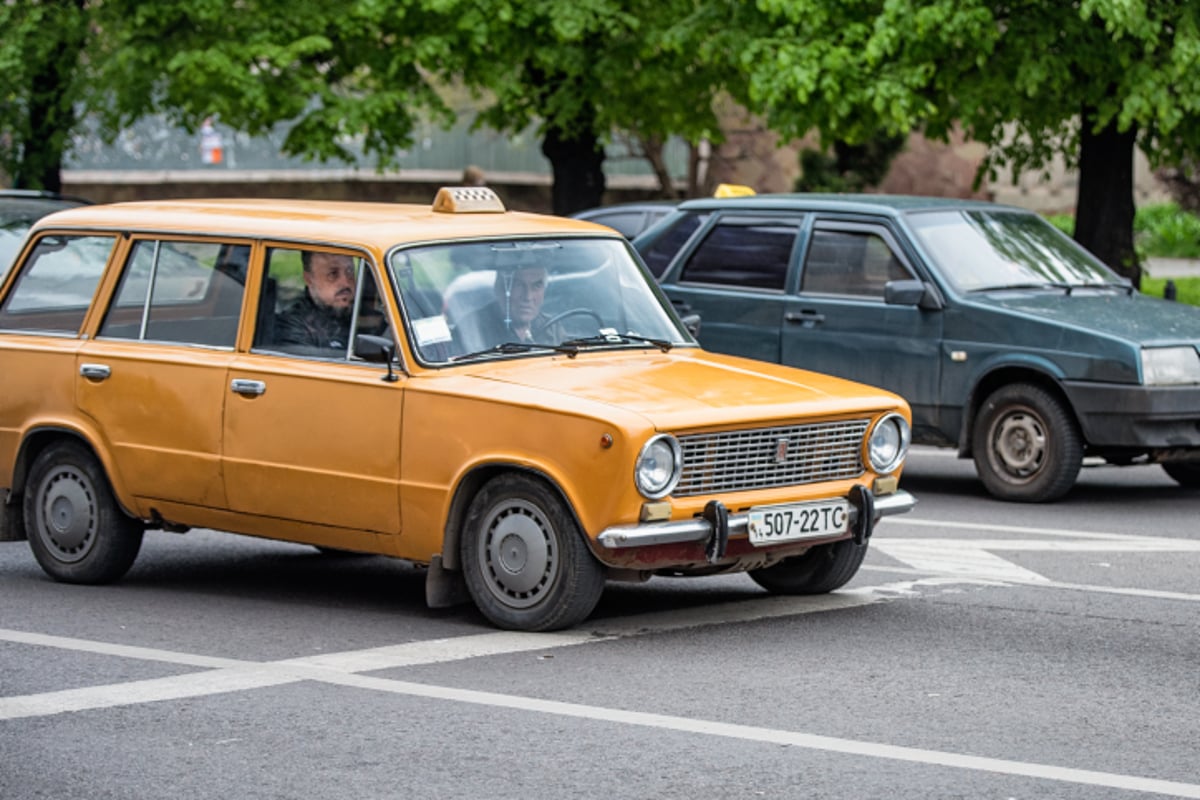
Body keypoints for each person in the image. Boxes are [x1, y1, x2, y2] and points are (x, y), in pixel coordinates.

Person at [455, 264, 562, 352]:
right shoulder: (473, 329)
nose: (528, 297)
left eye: (537, 286)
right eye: (518, 285)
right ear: (499, 289)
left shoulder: (552, 328)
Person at [275, 251, 356, 350]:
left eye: (350, 272)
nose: (346, 283)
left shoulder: (362, 314)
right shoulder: (292, 326)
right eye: (332, 274)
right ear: (309, 279)